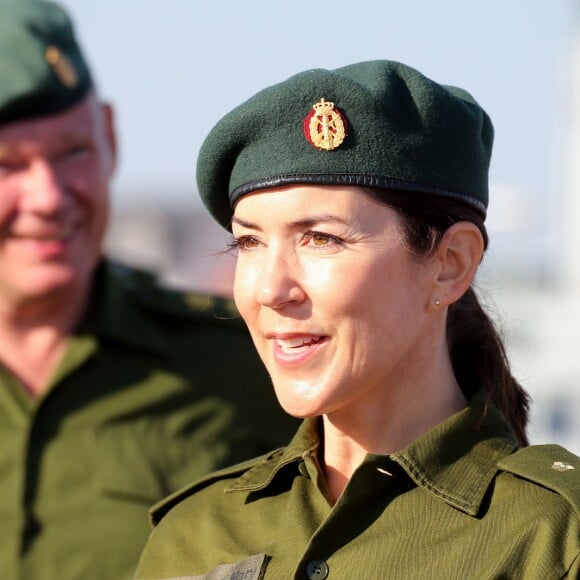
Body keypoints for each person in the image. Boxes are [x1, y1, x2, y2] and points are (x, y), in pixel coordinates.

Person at [135, 60, 580, 579]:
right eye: (249, 242)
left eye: (321, 238)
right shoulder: (197, 532)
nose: (269, 290)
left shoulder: (551, 540)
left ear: (450, 264)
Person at [0, 2, 298, 579]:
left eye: (73, 154)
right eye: (9, 165)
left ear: (109, 135)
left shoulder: (249, 363)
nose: (50, 197)